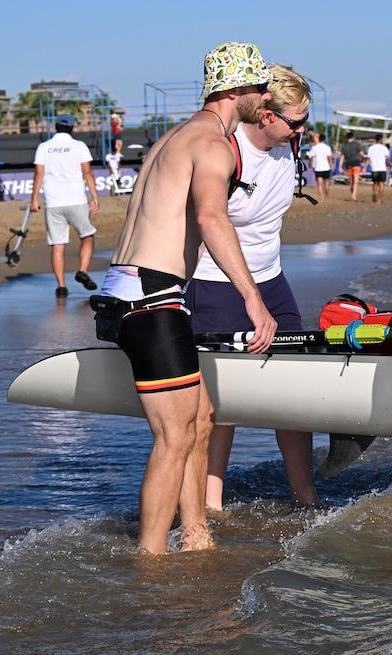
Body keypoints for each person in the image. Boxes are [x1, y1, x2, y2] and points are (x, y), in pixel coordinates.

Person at [96, 41, 277, 554]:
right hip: (150, 298)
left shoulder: (177, 136)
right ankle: (150, 561)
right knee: (174, 437)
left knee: (201, 419)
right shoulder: (212, 144)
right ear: (236, 89)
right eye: (260, 86)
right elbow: (210, 218)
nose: (265, 95)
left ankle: (197, 536)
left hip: (135, 291)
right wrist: (253, 298)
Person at [187, 65, 317, 512]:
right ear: (265, 115)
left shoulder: (289, 144)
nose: (302, 130)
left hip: (272, 279)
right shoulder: (226, 150)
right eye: (296, 122)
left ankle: (306, 500)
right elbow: (207, 221)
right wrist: (249, 297)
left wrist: (262, 293)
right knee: (221, 404)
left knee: (294, 396)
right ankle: (211, 507)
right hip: (215, 283)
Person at [30, 113, 101, 297]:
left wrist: (34, 199)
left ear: (56, 127)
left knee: (57, 245)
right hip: (76, 199)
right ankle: (82, 270)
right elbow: (87, 172)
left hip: (54, 202)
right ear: (71, 128)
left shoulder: (44, 147)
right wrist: (94, 197)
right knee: (87, 235)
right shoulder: (79, 146)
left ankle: (61, 286)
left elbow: (38, 173)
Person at [307, 131, 333, 200]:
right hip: (326, 168)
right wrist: (331, 164)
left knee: (319, 183)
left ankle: (321, 197)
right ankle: (327, 196)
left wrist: (310, 165)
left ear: (319, 139)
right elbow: (329, 158)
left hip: (318, 168)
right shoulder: (327, 147)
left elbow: (311, 157)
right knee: (326, 183)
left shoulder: (314, 147)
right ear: (324, 139)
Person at [367, 133, 391, 204]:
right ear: (381, 140)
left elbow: (368, 159)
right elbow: (388, 158)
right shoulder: (384, 148)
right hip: (382, 168)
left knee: (375, 183)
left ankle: (375, 192)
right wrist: (389, 166)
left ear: (375, 140)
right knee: (381, 184)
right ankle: (380, 200)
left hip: (374, 169)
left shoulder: (371, 148)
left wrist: (365, 167)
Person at [340, 131, 364, 200]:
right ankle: (353, 194)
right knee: (355, 180)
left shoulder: (344, 146)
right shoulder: (357, 144)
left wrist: (340, 166)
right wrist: (363, 159)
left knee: (351, 181)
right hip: (356, 164)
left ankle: (353, 194)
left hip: (348, 165)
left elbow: (342, 157)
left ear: (347, 137)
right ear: (353, 137)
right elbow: (362, 154)